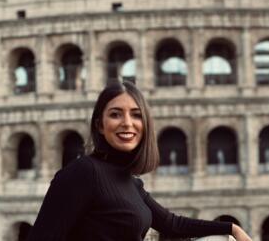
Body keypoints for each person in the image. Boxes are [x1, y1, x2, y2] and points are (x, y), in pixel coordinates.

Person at [27, 80, 252, 241]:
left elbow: (172, 224)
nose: (127, 123)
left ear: (145, 124)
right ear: (99, 125)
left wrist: (231, 228)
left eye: (136, 115)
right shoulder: (82, 172)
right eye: (115, 114)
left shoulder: (130, 181)